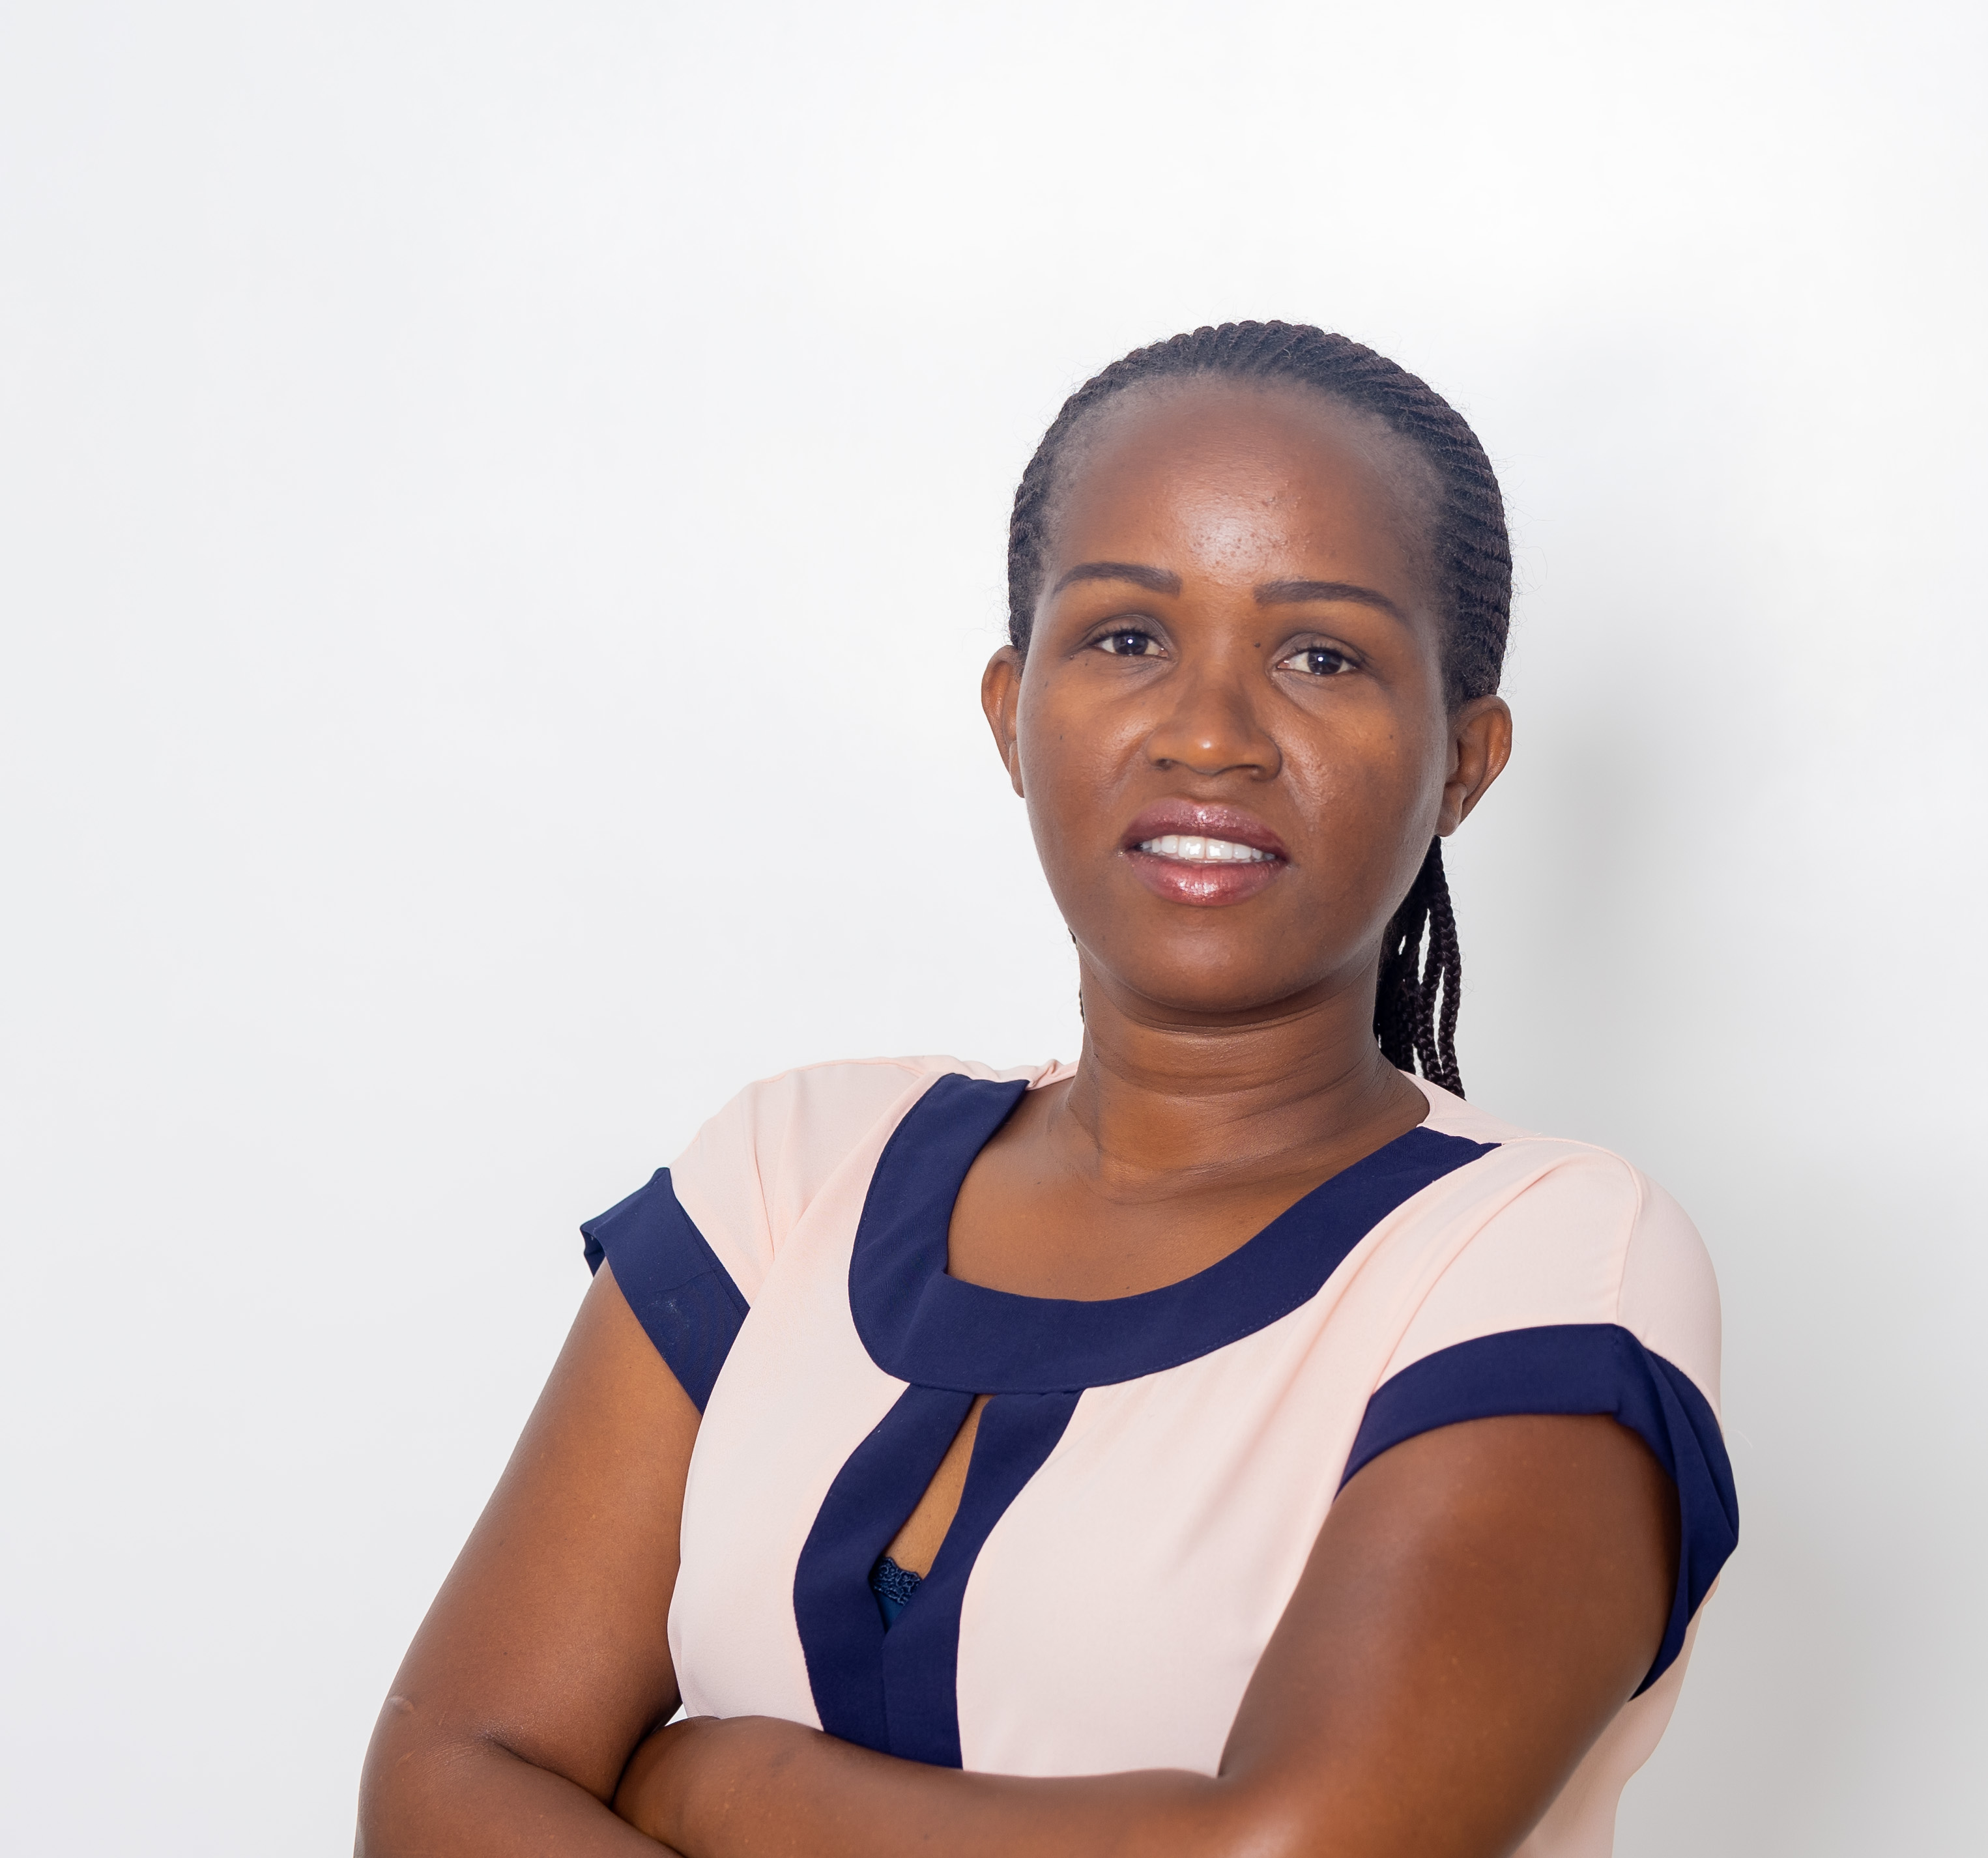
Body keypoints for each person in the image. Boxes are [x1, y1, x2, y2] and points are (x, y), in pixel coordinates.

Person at [356, 321, 1736, 1858]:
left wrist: (719, 1787)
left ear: (1462, 761)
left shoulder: (1538, 1261)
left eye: (1320, 656)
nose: (1208, 733)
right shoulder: (786, 1175)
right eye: (1126, 638)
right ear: (1010, 710)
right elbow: (442, 1787)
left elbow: (1289, 1854)